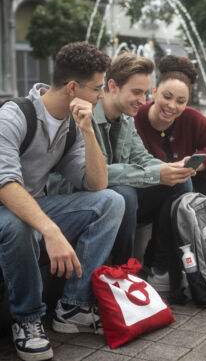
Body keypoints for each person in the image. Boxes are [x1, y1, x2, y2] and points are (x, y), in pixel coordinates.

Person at [0, 42, 125, 361]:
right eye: (97, 88)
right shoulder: (13, 115)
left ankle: (72, 307)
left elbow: (97, 183)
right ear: (73, 87)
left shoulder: (70, 127)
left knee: (111, 202)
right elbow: (7, 185)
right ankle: (27, 320)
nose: (101, 95)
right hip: (5, 211)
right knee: (19, 223)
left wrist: (88, 132)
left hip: (35, 207)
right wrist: (51, 231)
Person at [91, 52, 195, 292]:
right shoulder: (88, 118)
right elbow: (97, 174)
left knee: (180, 183)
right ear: (113, 86)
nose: (143, 99)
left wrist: (168, 168)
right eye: (136, 92)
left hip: (122, 199)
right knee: (124, 194)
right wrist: (155, 174)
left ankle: (161, 269)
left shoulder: (127, 119)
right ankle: (123, 275)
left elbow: (141, 158)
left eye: (145, 93)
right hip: (89, 195)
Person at [134, 54, 206, 209]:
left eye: (181, 101)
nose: (172, 106)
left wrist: (191, 164)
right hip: (146, 187)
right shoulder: (135, 117)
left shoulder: (192, 118)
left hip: (183, 184)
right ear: (154, 91)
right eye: (167, 97)